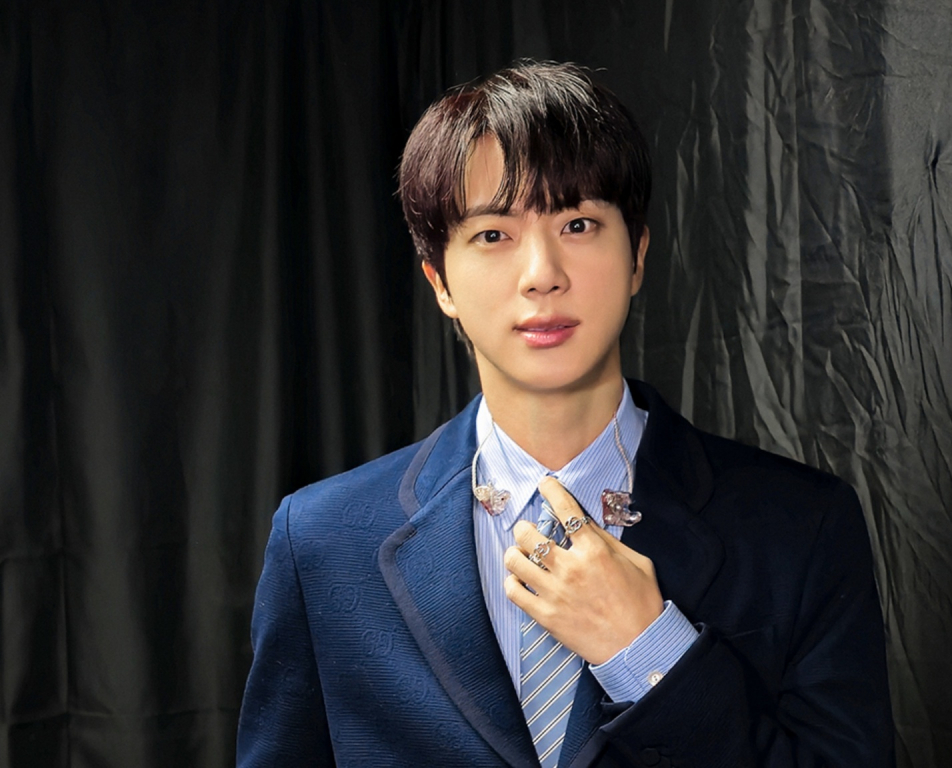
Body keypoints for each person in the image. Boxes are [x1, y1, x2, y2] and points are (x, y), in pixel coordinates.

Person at [236, 60, 894, 767]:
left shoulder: (803, 527)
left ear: (637, 255)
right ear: (439, 281)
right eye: (493, 235)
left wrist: (649, 651)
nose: (542, 274)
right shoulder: (321, 542)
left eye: (578, 223)